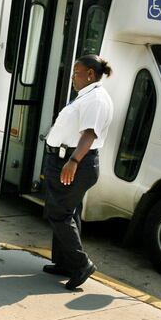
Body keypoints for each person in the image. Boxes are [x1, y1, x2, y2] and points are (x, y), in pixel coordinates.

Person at [43, 55, 114, 290]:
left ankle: (81, 264)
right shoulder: (88, 96)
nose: (72, 77)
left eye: (76, 72)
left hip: (76, 162)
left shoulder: (96, 99)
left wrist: (73, 161)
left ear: (90, 74)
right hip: (67, 159)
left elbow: (89, 134)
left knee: (59, 213)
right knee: (68, 213)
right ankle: (65, 263)